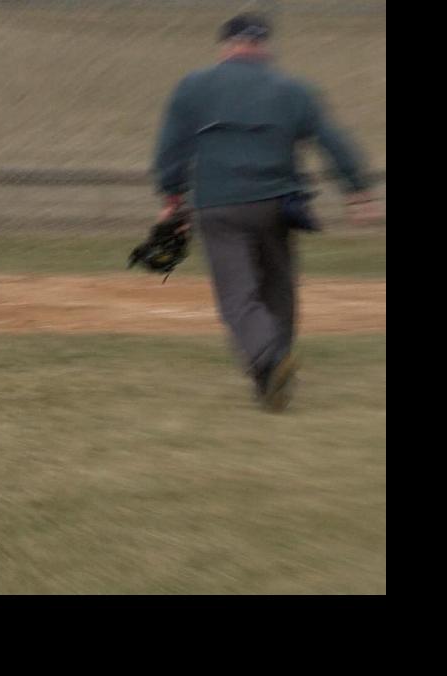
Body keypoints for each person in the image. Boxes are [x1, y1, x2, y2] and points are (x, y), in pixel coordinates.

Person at [151, 12, 383, 411]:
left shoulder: (194, 86)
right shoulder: (293, 89)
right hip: (277, 203)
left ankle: (270, 362)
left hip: (219, 205)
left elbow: (171, 148)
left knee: (238, 295)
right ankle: (273, 379)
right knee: (279, 288)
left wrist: (172, 196)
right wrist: (357, 190)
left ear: (226, 46)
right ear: (265, 45)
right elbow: (332, 140)